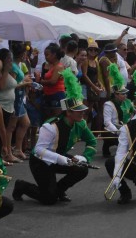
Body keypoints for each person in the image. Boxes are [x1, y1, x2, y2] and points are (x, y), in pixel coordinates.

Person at [13, 71, 96, 205]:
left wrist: (83, 157)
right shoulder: (51, 126)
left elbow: (92, 142)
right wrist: (62, 159)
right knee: (49, 199)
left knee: (82, 168)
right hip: (41, 162)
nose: (83, 112)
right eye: (78, 110)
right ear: (68, 112)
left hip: (59, 157)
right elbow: (39, 150)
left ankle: (59, 190)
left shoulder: (80, 124)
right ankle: (22, 186)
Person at [105, 73, 136, 204]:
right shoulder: (126, 128)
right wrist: (116, 175)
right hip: (135, 161)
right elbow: (121, 152)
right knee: (110, 162)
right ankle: (125, 192)